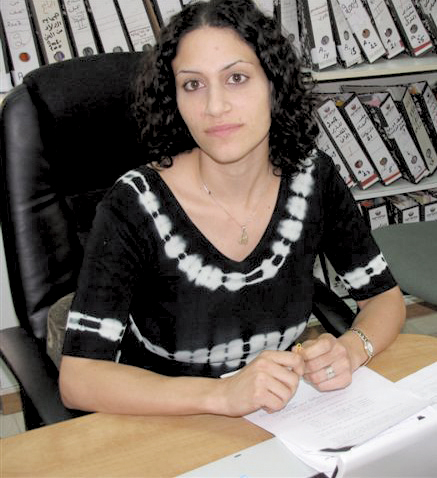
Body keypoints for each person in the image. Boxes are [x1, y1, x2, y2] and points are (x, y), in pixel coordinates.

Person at [59, 0, 405, 417]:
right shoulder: (134, 205)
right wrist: (221, 396)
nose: (215, 106)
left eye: (236, 78)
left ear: (274, 84)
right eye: (192, 84)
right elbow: (78, 379)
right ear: (173, 97)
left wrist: (351, 348)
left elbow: (384, 298)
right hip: (164, 419)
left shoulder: (313, 180)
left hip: (283, 413)